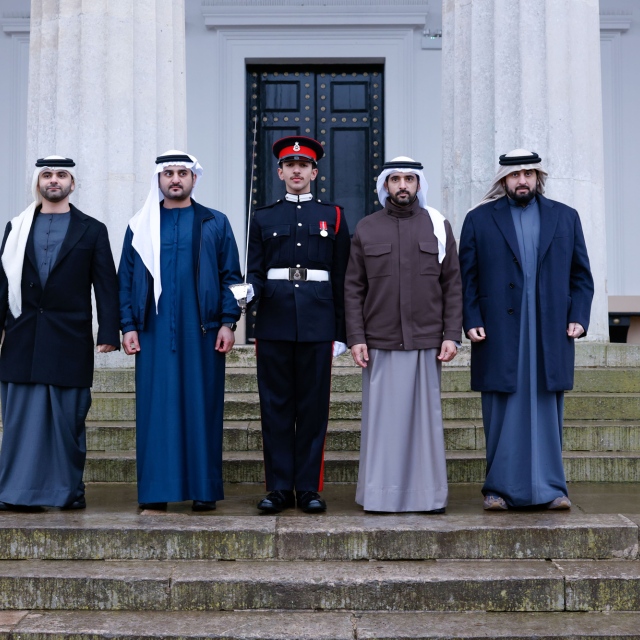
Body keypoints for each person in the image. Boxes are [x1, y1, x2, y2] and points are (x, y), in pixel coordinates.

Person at [459, 149, 594, 510]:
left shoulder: (566, 217)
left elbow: (581, 276)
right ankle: (498, 490)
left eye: (529, 174)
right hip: (499, 331)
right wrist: (470, 319)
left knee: (548, 408)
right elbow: (466, 279)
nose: (523, 181)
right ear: (503, 180)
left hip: (551, 330)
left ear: (538, 178)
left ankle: (553, 489)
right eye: (515, 175)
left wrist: (579, 316)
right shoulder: (478, 219)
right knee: (501, 406)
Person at [118, 150, 242, 512]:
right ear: (158, 179)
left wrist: (228, 322)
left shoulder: (215, 223)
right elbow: (125, 281)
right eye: (168, 173)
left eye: (182, 173)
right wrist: (128, 325)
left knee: (201, 406)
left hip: (202, 330)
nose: (175, 178)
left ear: (194, 178)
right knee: (156, 409)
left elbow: (231, 278)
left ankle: (203, 489)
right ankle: (156, 492)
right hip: (153, 331)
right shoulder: (139, 225)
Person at [0, 156, 120, 511]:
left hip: (70, 338)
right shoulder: (16, 226)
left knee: (67, 419)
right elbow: (2, 285)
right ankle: (17, 493)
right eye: (47, 175)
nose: (54, 180)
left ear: (73, 183)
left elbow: (106, 284)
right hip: (22, 336)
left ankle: (66, 490)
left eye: (61, 175)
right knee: (20, 420)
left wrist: (109, 331)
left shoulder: (93, 229)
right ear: (38, 182)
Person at [344, 156, 462, 513]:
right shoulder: (367, 227)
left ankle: (428, 498)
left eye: (409, 179)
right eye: (395, 179)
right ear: (385, 185)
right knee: (383, 426)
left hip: (427, 340)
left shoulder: (438, 225)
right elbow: (353, 288)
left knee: (424, 426)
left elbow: (453, 284)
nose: (402, 186)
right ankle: (380, 497)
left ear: (418, 184)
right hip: (379, 341)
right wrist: (356, 337)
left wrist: (451, 334)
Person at [246, 136, 350, 513]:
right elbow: (255, 271)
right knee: (275, 407)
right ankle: (277, 488)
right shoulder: (262, 217)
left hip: (318, 322)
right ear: (279, 172)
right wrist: (246, 293)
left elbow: (342, 278)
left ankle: (307, 488)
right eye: (290, 165)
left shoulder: (334, 215)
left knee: (312, 408)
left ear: (314, 172)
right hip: (273, 320)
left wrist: (342, 333)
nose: (296, 171)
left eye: (303, 165)